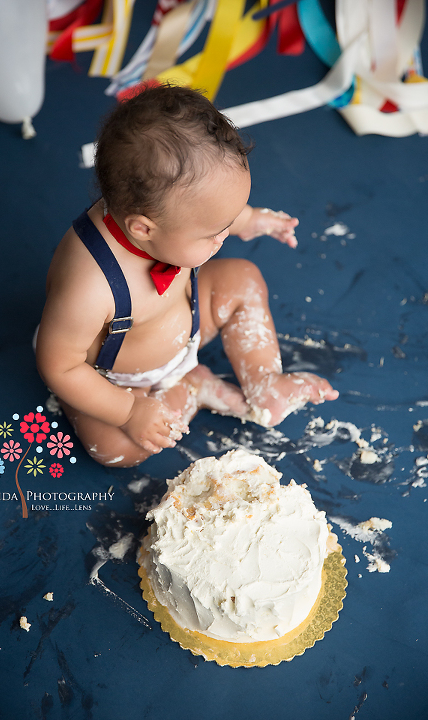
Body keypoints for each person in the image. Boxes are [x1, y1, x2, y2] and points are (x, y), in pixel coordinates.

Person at [36, 84, 338, 468]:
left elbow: (216, 212)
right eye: (215, 232)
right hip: (125, 379)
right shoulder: (89, 287)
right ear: (144, 229)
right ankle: (191, 387)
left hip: (187, 326)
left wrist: (249, 219)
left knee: (242, 277)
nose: (224, 236)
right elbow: (59, 366)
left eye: (228, 220)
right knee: (115, 450)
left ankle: (265, 382)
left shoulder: (169, 214)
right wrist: (128, 411)